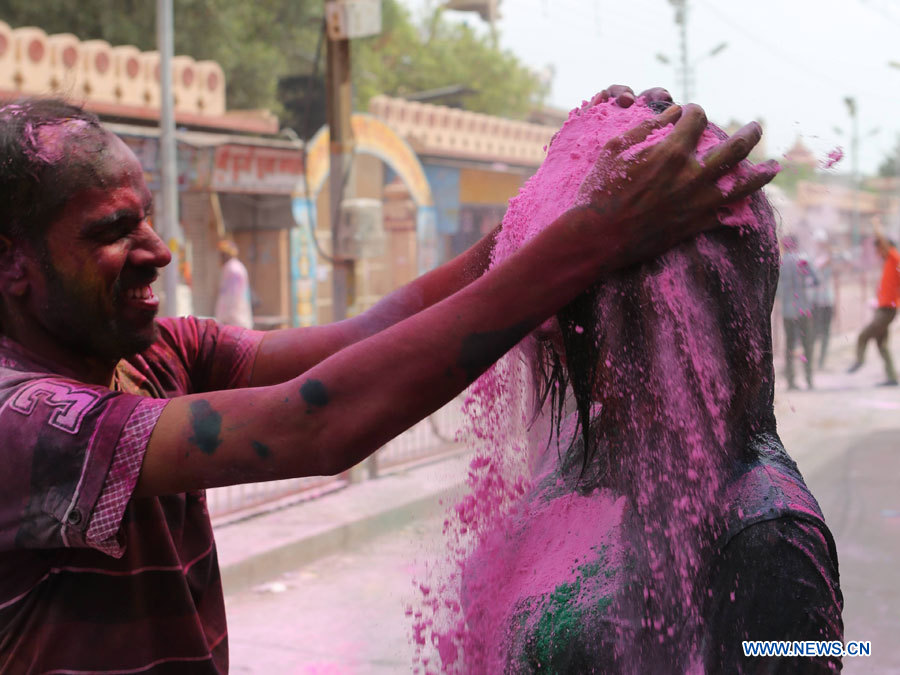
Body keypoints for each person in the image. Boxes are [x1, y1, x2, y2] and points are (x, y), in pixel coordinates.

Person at [0, 93, 775, 673]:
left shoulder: (768, 519)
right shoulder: (22, 418)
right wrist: (589, 239)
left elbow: (360, 342)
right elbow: (316, 423)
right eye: (111, 231)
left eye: (146, 218)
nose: (158, 250)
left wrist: (544, 213)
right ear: (12, 262)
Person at [456, 100, 841, 673]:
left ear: (676, 310)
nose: (545, 324)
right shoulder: (591, 451)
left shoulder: (769, 538)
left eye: (584, 293)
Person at [847, 231, 899, 385]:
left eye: (878, 249)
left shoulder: (893, 257)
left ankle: (859, 360)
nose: (877, 253)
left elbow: (884, 244)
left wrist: (876, 226)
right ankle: (892, 377)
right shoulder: (890, 262)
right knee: (882, 344)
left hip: (887, 310)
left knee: (863, 336)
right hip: (884, 308)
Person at [778, 234, 817, 390]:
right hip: (804, 309)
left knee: (789, 345)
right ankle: (808, 379)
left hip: (787, 310)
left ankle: (791, 381)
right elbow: (816, 280)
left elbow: (776, 288)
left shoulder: (780, 263)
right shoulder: (803, 260)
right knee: (807, 344)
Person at [214, 238, 254, 329]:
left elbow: (232, 298)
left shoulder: (233, 269)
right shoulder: (233, 267)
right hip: (234, 321)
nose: (220, 257)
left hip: (234, 322)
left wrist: (224, 319)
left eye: (222, 254)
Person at [811, 231, 837, 370]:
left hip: (827, 301)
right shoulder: (814, 259)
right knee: (815, 332)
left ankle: (821, 361)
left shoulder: (826, 258)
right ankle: (813, 360)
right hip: (817, 302)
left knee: (825, 332)